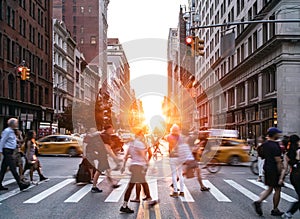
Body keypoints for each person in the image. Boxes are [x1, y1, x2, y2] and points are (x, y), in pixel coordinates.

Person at [253, 127, 284, 216]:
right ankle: (275, 209)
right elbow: (278, 161)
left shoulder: (265, 144)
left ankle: (259, 201)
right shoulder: (275, 146)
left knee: (270, 188)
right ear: (274, 135)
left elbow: (261, 154)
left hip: (267, 168)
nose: (279, 135)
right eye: (277, 134)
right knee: (277, 189)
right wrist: (280, 172)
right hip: (274, 169)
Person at [120, 129, 152, 213]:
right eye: (142, 135)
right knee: (141, 184)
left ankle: (125, 205)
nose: (143, 136)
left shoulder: (131, 144)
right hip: (139, 167)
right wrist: (147, 163)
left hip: (133, 166)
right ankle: (149, 200)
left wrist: (123, 166)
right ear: (139, 135)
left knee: (136, 184)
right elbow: (142, 154)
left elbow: (126, 156)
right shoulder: (139, 144)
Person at [85, 128, 120, 193]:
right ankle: (94, 187)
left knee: (107, 170)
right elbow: (108, 148)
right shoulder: (105, 136)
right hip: (101, 156)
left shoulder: (103, 135)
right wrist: (115, 159)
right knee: (99, 171)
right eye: (111, 129)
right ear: (108, 129)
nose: (112, 130)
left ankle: (113, 184)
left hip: (100, 154)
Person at [0, 118, 30, 191]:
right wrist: (0, 151)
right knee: (13, 168)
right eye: (16, 123)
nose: (17, 124)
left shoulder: (12, 132)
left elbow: (14, 141)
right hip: (7, 151)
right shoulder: (7, 131)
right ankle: (21, 184)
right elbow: (2, 141)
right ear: (12, 124)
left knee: (3, 169)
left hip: (10, 151)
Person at [282, 135, 300, 219]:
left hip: (293, 177)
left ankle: (289, 213)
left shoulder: (287, 154)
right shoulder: (299, 151)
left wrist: (281, 178)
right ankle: (289, 213)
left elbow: (285, 168)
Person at [164, 124, 184, 197]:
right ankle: (182, 191)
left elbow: (165, 137)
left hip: (172, 157)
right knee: (180, 174)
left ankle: (175, 191)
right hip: (180, 157)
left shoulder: (169, 136)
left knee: (174, 174)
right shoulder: (181, 138)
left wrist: (172, 131)